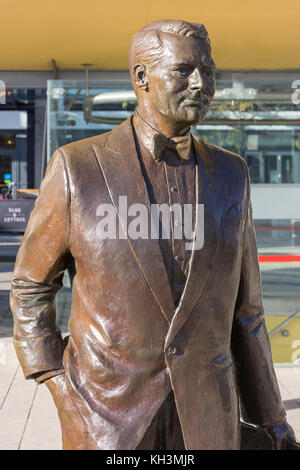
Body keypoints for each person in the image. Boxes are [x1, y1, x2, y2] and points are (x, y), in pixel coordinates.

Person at [10, 19, 296, 450]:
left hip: (207, 419)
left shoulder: (232, 174)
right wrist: (60, 386)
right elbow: (30, 288)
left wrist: (273, 424)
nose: (201, 83)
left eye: (209, 70)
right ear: (142, 77)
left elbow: (247, 314)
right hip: (105, 420)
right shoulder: (77, 168)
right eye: (184, 70)